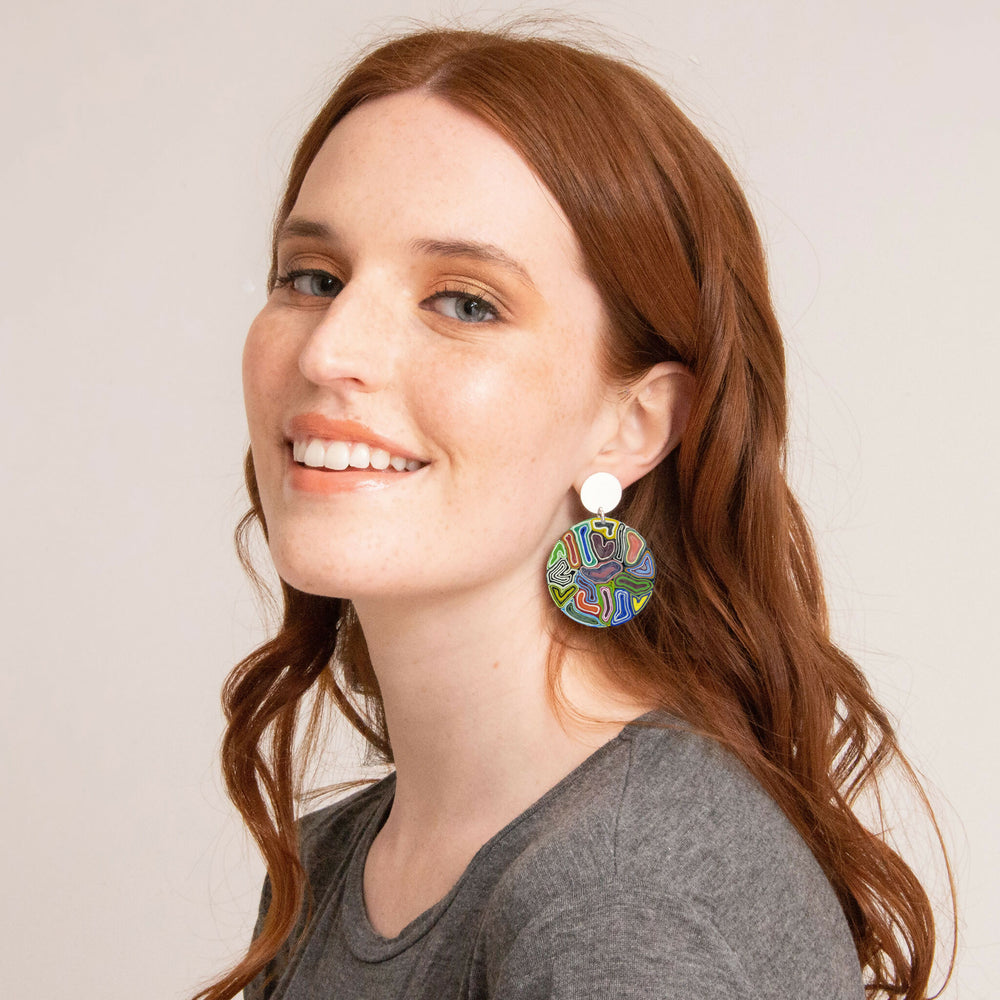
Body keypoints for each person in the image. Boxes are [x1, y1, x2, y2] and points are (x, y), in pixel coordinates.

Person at [194, 23, 951, 1000]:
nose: (329, 348)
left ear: (634, 424)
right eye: (312, 278)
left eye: (464, 302)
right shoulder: (333, 862)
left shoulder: (619, 896)